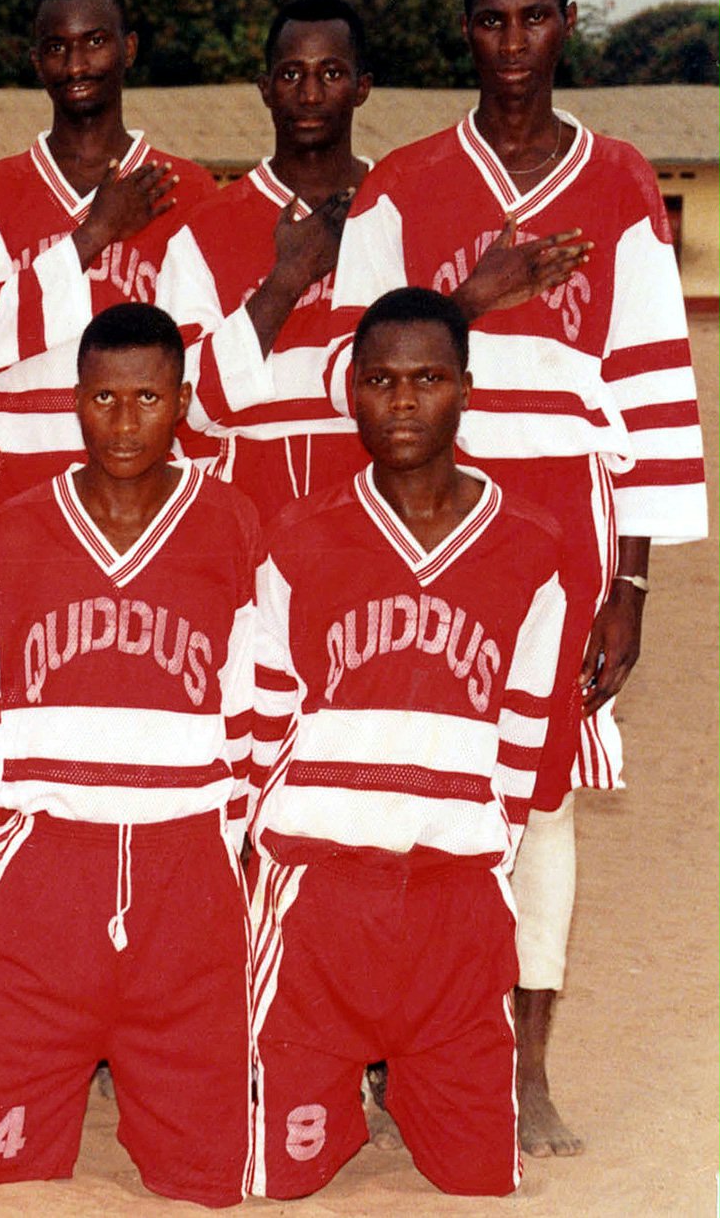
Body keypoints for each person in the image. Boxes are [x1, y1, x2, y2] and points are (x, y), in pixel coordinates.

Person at [324, 0, 707, 1156]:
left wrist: (631, 583)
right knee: (404, 789)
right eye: (490, 23)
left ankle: (526, 1064)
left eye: (533, 21)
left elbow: (651, 390)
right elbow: (348, 364)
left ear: (568, 24)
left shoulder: (622, 180)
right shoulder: (403, 185)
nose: (511, 47)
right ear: (465, 32)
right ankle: (396, 1052)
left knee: (537, 807)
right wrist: (472, 299)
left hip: (563, 533)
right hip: (419, 520)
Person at [247, 287, 566, 1198]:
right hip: (321, 893)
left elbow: (522, 726)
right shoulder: (300, 536)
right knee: (289, 1176)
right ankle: (321, 1081)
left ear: (467, 387)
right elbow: (267, 714)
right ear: (351, 391)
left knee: (476, 1180)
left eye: (428, 379)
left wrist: (477, 853)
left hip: (453, 900)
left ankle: (425, 1084)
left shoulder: (530, 546)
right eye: (381, 380)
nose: (403, 403)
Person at [0, 303, 259, 1206]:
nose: (125, 423)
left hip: (183, 864)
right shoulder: (11, 529)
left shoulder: (232, 523)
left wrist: (230, 841)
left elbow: (250, 702)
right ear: (73, 402)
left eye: (148, 398)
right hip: (42, 861)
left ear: (184, 402)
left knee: (207, 1180)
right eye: (103, 399)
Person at [0, 0, 222, 506]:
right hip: (20, 484)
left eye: (95, 42)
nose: (75, 65)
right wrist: (94, 233)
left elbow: (201, 363)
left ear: (129, 48)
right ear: (35, 61)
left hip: (156, 488)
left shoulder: (186, 189)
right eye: (56, 47)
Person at [155, 0, 374, 522]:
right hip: (240, 519)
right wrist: (289, 278)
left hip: (373, 520)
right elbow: (184, 406)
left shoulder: (400, 208)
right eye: (292, 74)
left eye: (332, 73)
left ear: (362, 87)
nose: (311, 93)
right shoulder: (206, 229)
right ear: (265, 88)